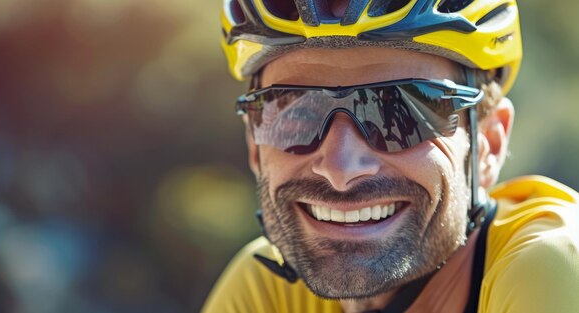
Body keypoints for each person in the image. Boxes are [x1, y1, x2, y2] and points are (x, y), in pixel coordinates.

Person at [203, 0, 579, 312]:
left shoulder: (554, 266)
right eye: (296, 113)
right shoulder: (265, 291)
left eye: (398, 112)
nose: (340, 169)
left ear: (488, 146)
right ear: (255, 145)